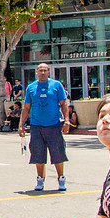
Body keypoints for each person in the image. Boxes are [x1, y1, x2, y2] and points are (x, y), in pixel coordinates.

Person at [22, 62, 70, 192]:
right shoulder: (31, 88)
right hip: (36, 126)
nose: (42, 72)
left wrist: (66, 121)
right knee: (38, 154)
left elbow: (64, 104)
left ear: (49, 72)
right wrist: (21, 125)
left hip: (53, 125)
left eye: (45, 70)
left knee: (58, 153)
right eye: (40, 70)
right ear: (36, 72)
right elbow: (26, 107)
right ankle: (40, 180)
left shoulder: (56, 85)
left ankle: (61, 179)